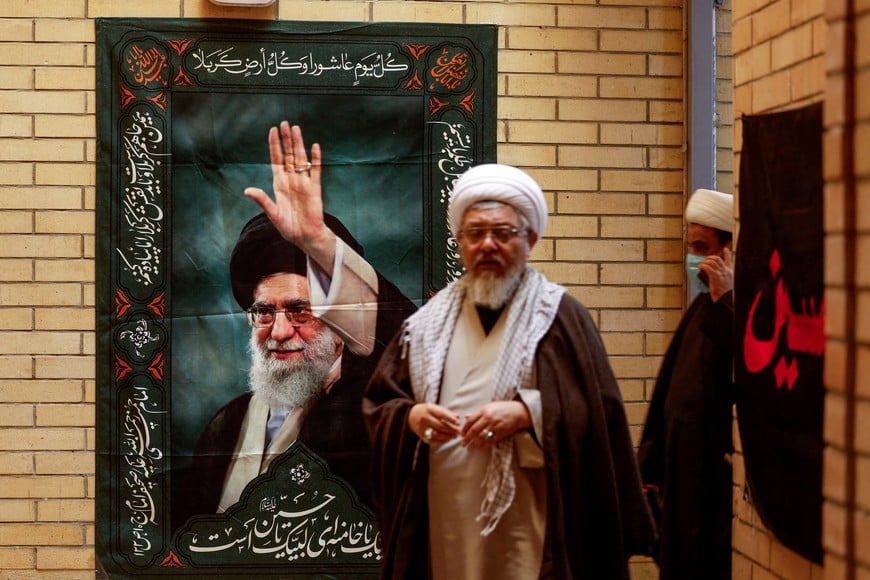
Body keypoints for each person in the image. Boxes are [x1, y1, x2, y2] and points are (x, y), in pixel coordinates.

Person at [362, 163, 656, 579]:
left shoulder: (559, 316)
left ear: (530, 238)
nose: (487, 245)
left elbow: (598, 415)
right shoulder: (424, 325)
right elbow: (382, 402)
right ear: (459, 242)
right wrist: (410, 416)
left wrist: (527, 414)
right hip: (445, 513)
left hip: (529, 516)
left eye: (502, 234)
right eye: (475, 234)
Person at [173, 122, 415, 530]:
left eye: (301, 310)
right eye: (265, 312)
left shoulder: (375, 407)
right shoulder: (225, 425)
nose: (280, 332)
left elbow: (407, 345)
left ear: (341, 320)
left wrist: (318, 242)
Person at [637, 188, 735, 579]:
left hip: (713, 491)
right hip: (680, 483)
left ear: (728, 251)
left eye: (702, 246)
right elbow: (668, 396)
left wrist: (726, 299)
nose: (693, 257)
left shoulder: (740, 308)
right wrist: (646, 471)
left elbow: (745, 366)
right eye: (691, 246)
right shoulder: (700, 308)